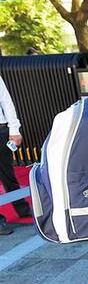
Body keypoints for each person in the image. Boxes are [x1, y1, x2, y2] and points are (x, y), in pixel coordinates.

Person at [0, 74, 33, 235]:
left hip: (1, 128)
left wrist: (14, 129)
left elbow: (5, 100)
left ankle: (22, 208)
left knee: (8, 173)